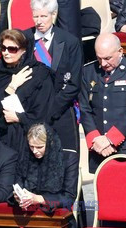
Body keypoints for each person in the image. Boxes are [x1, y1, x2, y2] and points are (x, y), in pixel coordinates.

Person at [79, 33, 126, 173]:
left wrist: (110, 139)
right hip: (99, 147)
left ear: (120, 52)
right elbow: (85, 108)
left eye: (107, 58)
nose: (103, 64)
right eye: (99, 58)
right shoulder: (88, 71)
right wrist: (96, 140)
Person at [23, 0, 83, 152]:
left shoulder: (70, 42)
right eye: (36, 16)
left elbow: (74, 83)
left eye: (44, 16)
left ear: (54, 15)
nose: (39, 21)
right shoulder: (24, 39)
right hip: (30, 110)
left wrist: (51, 109)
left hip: (59, 109)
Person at [0, 29, 55, 154]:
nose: (6, 53)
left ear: (24, 50)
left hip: (31, 140)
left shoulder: (39, 74)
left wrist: (19, 118)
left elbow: (43, 113)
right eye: (3, 48)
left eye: (12, 49)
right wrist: (11, 87)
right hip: (5, 137)